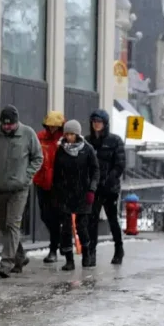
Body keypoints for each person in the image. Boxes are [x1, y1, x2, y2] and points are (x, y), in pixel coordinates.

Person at [0, 105, 43, 278]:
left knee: (12, 224)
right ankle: (20, 256)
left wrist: (26, 176)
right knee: (4, 227)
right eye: (4, 124)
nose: (7, 127)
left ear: (17, 123)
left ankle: (6, 264)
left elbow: (38, 157)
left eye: (11, 124)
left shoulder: (28, 134)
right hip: (0, 186)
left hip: (19, 188)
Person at [51, 120, 100, 270]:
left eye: (72, 134)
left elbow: (95, 171)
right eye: (67, 134)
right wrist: (56, 193)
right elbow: (57, 173)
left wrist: (92, 189)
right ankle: (69, 260)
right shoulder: (61, 150)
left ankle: (86, 254)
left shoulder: (88, 150)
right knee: (65, 228)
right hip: (65, 194)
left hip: (83, 194)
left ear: (77, 134)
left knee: (82, 227)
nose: (69, 137)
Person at [85, 109, 126, 266]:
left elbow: (120, 164)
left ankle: (119, 249)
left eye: (99, 122)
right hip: (93, 188)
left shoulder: (115, 141)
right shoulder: (88, 141)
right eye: (94, 121)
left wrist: (109, 179)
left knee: (112, 220)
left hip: (110, 188)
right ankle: (91, 252)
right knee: (92, 221)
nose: (97, 124)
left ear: (105, 124)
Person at [32, 111, 66, 263]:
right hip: (42, 181)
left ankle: (54, 248)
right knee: (45, 216)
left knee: (57, 216)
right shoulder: (39, 138)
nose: (52, 129)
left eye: (55, 127)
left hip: (59, 185)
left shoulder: (65, 140)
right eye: (50, 126)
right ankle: (58, 240)